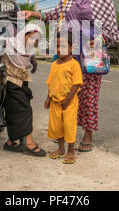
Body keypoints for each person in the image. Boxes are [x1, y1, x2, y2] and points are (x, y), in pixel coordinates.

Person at [26, 0, 119, 152]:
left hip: (91, 52)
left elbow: (111, 30)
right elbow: (56, 14)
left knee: (89, 94)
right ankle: (66, 132)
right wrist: (36, 15)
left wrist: (101, 39)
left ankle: (87, 134)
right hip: (68, 50)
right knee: (65, 90)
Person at [0, 24, 46, 157]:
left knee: (15, 111)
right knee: (24, 110)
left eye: (36, 39)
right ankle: (28, 142)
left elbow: (29, 56)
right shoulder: (10, 43)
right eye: (31, 37)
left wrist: (33, 60)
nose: (33, 41)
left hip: (22, 81)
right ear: (25, 34)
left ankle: (11, 142)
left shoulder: (28, 49)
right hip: (10, 81)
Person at [45, 31, 83, 164]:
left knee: (69, 126)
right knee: (57, 127)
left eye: (63, 46)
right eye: (57, 46)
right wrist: (48, 98)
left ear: (72, 47)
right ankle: (61, 149)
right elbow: (51, 82)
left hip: (69, 103)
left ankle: (70, 151)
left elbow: (77, 83)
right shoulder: (54, 64)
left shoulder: (74, 64)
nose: (59, 49)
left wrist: (67, 100)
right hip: (55, 102)